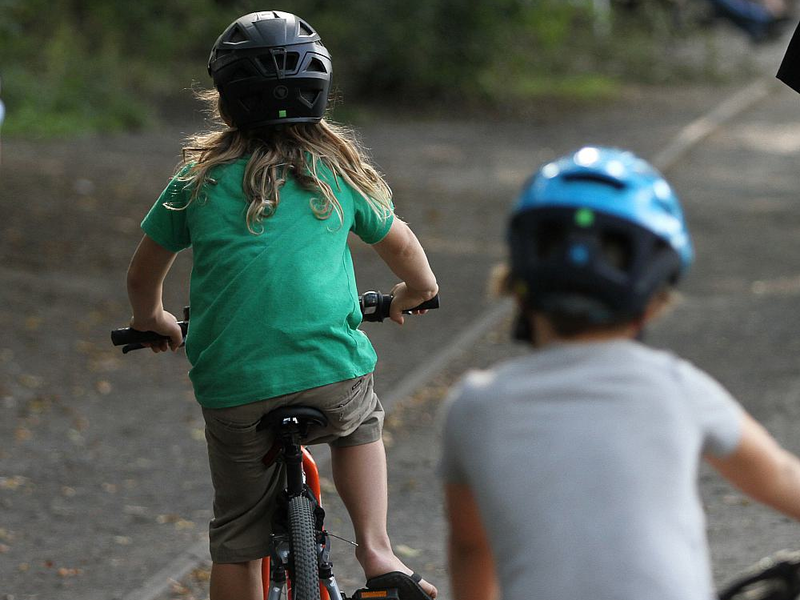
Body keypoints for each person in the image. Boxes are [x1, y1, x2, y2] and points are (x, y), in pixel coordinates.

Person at [124, 11, 438, 600]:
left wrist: (153, 321)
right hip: (330, 373)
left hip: (235, 386)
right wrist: (415, 292)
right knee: (360, 419)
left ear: (225, 99)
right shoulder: (338, 170)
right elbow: (400, 244)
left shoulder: (196, 181)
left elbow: (144, 273)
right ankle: (378, 552)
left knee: (238, 535)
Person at [440, 147, 800, 600]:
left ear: (517, 282)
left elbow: (472, 547)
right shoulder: (677, 388)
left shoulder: (474, 407)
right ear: (655, 299)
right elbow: (782, 478)